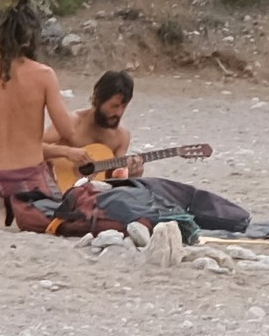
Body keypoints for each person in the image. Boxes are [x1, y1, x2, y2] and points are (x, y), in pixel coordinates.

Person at [62, 69, 256, 238]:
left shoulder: (121, 135)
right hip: (61, 190)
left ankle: (225, 218)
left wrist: (134, 173)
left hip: (94, 196)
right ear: (97, 99)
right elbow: (36, 148)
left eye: (123, 107)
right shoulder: (73, 122)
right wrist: (68, 152)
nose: (119, 113)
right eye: (114, 106)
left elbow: (113, 179)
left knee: (151, 189)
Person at [0, 0, 69, 225]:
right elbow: (66, 129)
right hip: (27, 179)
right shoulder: (44, 75)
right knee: (60, 209)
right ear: (32, 38)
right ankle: (16, 206)